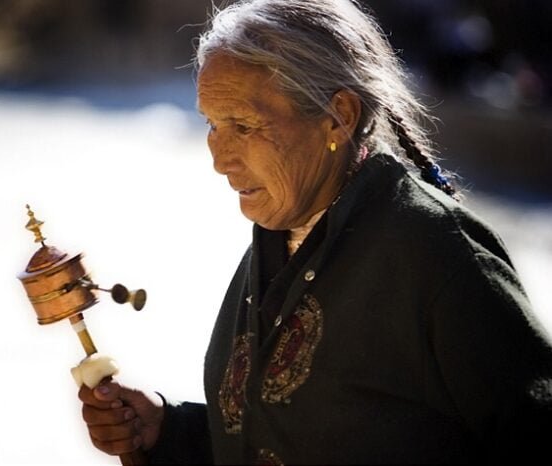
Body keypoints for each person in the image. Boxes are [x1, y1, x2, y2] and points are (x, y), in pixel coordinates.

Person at [78, 0, 552, 463]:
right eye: (212, 123)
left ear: (338, 116)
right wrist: (167, 431)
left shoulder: (436, 254)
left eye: (243, 126)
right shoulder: (276, 240)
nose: (219, 159)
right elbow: (282, 436)